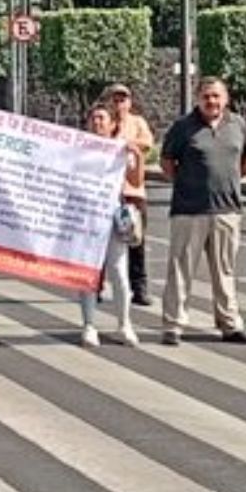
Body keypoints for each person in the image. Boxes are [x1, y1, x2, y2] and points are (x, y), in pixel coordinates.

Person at [160, 77, 246, 346]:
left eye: (216, 96)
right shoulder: (183, 127)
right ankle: (174, 324)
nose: (211, 101)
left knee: (224, 270)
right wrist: (188, 183)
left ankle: (229, 324)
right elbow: (167, 162)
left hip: (226, 210)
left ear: (226, 99)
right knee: (180, 268)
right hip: (189, 210)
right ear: (198, 98)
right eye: (206, 96)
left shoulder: (238, 124)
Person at [78, 103, 143, 348]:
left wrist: (135, 155)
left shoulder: (120, 149)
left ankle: (124, 324)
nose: (97, 123)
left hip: (113, 215)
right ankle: (89, 325)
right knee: (88, 273)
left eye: (102, 119)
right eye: (93, 118)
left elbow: (135, 180)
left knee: (118, 271)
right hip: (86, 217)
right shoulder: (78, 149)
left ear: (111, 124)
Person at [105, 83, 157, 305]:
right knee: (102, 241)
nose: (119, 104)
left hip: (133, 190)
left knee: (136, 239)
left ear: (130, 102)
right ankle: (96, 284)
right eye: (115, 100)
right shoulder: (105, 122)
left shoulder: (137, 123)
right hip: (107, 192)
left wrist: (127, 143)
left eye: (123, 99)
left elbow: (148, 143)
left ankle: (139, 287)